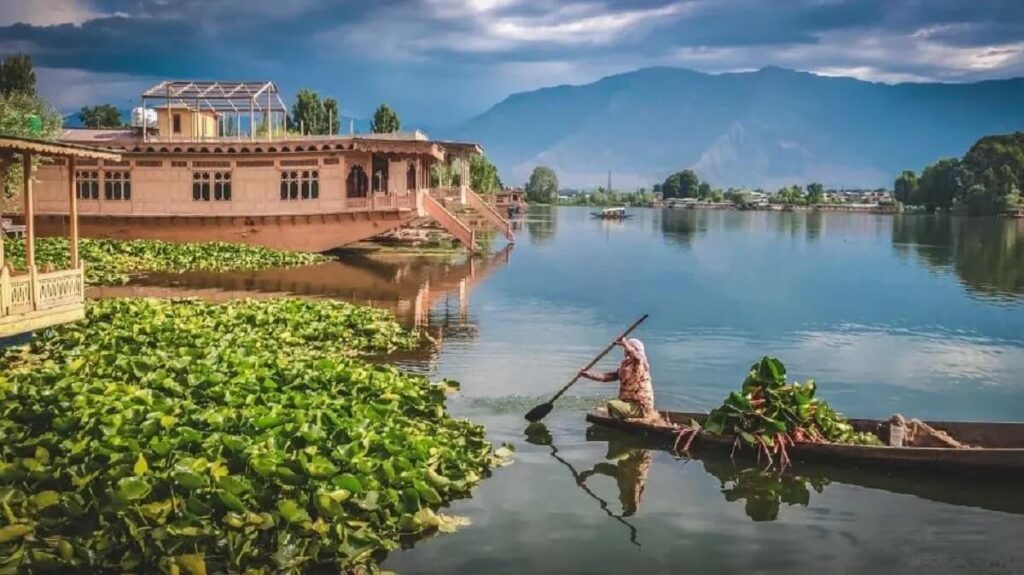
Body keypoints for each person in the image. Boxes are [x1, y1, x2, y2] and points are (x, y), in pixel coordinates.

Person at [579, 338, 656, 420]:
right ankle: (617, 413)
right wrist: (589, 374)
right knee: (604, 407)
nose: (625, 351)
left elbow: (636, 356)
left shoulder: (640, 362)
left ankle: (621, 415)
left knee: (611, 404)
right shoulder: (626, 365)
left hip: (640, 406)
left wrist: (625, 343)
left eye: (626, 349)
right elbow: (606, 377)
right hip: (628, 404)